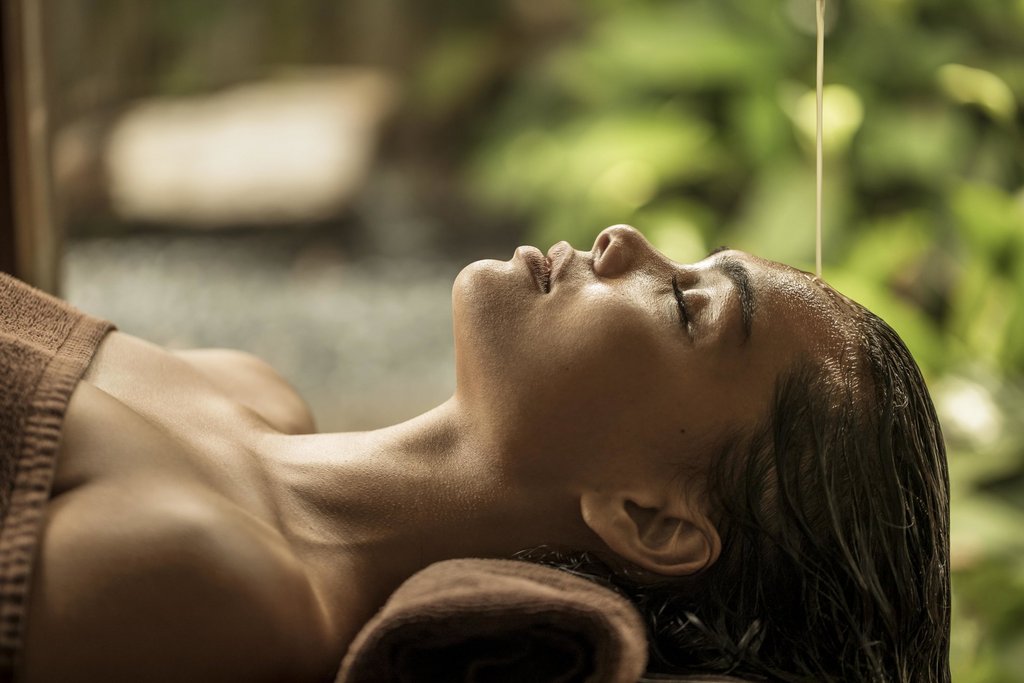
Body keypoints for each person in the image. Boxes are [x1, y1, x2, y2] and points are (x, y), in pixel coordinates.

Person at [12, 224, 948, 682]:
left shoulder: (217, 585)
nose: (625, 241)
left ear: (651, 519)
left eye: (683, 304)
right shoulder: (250, 389)